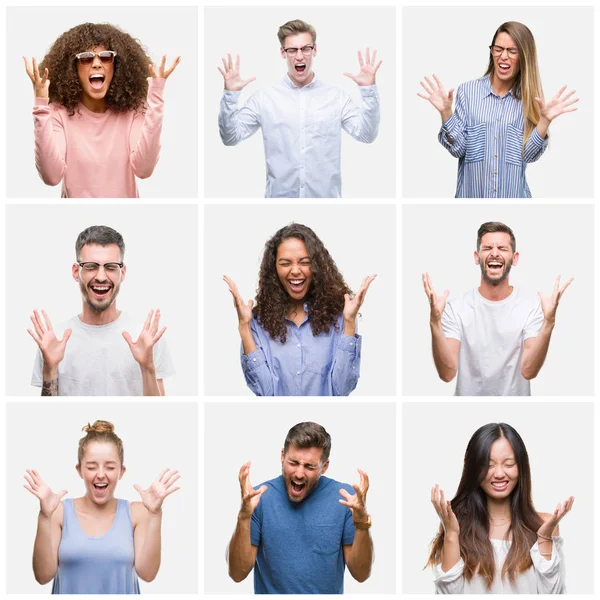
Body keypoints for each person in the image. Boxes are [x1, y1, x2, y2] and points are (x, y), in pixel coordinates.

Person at [217, 19, 382, 198]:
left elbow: (367, 135)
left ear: (315, 50)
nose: (300, 56)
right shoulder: (264, 98)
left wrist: (368, 91)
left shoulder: (336, 96)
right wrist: (230, 95)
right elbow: (230, 138)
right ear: (283, 52)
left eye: (305, 48)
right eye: (292, 50)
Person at [418, 21, 578, 198]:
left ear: (524, 56)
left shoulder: (530, 100)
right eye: (498, 49)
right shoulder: (468, 92)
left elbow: (529, 156)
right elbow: (459, 150)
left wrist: (544, 121)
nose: (503, 56)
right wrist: (446, 113)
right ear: (491, 51)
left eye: (512, 51)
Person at [23, 22, 181, 198]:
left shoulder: (133, 110)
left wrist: (156, 97)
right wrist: (41, 105)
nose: (97, 63)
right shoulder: (57, 113)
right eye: (86, 58)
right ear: (73, 66)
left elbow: (144, 169)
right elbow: (51, 177)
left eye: (105, 57)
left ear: (116, 65)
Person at [23, 420, 180, 594]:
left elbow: (148, 574)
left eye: (110, 467)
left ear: (122, 471)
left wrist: (155, 513)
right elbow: (42, 576)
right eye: (91, 467)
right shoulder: (58, 512)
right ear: (79, 470)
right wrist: (44, 516)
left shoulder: (137, 513)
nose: (100, 475)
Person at [223, 223, 376, 396]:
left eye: (305, 262)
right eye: (285, 263)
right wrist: (244, 327)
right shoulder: (257, 321)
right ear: (274, 268)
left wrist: (349, 322)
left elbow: (341, 390)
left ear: (317, 266)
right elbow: (265, 393)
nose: (295, 271)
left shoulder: (340, 316)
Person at [422, 221, 572, 396]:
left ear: (514, 258)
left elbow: (529, 371)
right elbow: (447, 374)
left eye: (502, 248)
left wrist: (549, 323)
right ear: (477, 257)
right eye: (487, 248)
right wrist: (434, 322)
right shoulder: (457, 308)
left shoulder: (530, 307)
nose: (494, 253)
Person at [227, 421, 373, 593]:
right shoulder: (259, 499)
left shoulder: (345, 499)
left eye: (310, 466)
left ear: (324, 467)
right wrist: (243, 517)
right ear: (282, 456)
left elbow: (361, 574)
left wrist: (362, 522)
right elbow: (237, 574)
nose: (299, 473)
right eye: (293, 462)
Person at [28, 225, 174, 396]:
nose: (101, 277)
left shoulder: (146, 338)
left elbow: (157, 415)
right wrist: (49, 369)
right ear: (76, 272)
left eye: (111, 267)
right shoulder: (54, 341)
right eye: (91, 266)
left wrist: (147, 367)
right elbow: (47, 416)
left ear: (123, 272)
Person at [427, 422, 573, 593]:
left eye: (509, 464)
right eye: (488, 465)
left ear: (521, 467)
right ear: (474, 469)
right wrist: (451, 534)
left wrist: (544, 538)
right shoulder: (458, 527)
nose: (499, 474)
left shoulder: (544, 524)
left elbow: (554, 594)